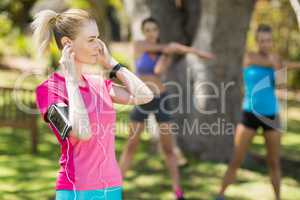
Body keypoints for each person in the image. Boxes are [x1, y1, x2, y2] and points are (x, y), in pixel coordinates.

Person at [33, 9, 153, 200]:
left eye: (98, 38)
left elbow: (145, 95)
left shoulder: (98, 83)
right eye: (91, 39)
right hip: (77, 190)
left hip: (112, 187)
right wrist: (72, 80)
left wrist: (113, 63)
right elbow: (82, 132)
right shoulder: (48, 90)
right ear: (67, 44)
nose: (98, 45)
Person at [119, 17, 214, 200]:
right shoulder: (139, 46)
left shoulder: (166, 51)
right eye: (147, 29)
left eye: (154, 29)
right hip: (141, 98)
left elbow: (157, 71)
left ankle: (178, 191)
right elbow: (165, 49)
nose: (151, 33)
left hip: (161, 99)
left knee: (168, 149)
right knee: (131, 144)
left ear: (158, 31)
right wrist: (176, 48)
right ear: (143, 32)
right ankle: (117, 186)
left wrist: (172, 52)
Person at [215, 24, 283, 200]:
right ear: (256, 41)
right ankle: (220, 195)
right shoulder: (249, 56)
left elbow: (280, 83)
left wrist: (278, 65)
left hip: (271, 115)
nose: (265, 44)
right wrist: (276, 63)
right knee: (236, 158)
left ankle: (278, 198)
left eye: (268, 41)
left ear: (271, 41)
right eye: (261, 40)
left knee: (273, 162)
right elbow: (261, 61)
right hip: (249, 114)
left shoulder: (276, 60)